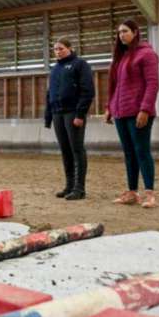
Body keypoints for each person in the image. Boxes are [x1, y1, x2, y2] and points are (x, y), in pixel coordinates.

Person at [104, 19, 159, 208]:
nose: (121, 35)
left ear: (135, 32)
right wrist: (109, 108)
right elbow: (115, 86)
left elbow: (153, 84)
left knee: (142, 151)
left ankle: (150, 194)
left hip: (139, 112)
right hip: (120, 112)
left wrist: (144, 109)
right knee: (129, 153)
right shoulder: (121, 57)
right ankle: (132, 192)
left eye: (125, 31)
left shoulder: (147, 54)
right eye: (119, 32)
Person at [44, 38, 95, 200]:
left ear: (70, 48)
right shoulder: (55, 69)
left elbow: (88, 91)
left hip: (73, 112)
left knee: (77, 149)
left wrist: (80, 114)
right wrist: (48, 116)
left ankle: (80, 189)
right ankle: (69, 186)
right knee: (65, 151)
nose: (58, 52)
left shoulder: (80, 64)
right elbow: (49, 93)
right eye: (55, 49)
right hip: (58, 113)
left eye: (61, 49)